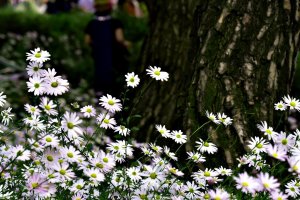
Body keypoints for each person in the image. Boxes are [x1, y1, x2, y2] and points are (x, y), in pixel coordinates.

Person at [85, 0, 130, 95]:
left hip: (98, 53)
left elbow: (87, 41)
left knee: (99, 74)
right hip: (114, 54)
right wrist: (126, 44)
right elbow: (119, 38)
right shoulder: (116, 22)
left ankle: (99, 95)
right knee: (114, 76)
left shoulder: (91, 23)